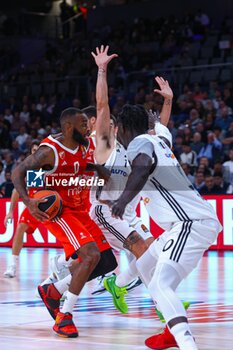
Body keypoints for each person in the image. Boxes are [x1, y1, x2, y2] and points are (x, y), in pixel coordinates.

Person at [103, 103, 222, 350]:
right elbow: (163, 134)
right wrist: (158, 120)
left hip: (189, 223)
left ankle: (187, 344)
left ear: (122, 128)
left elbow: (144, 164)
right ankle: (122, 288)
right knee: (146, 262)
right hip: (182, 224)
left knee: (159, 284)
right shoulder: (160, 141)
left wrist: (123, 200)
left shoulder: (138, 144)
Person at [12, 107, 116, 338]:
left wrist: (98, 169)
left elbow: (79, 164)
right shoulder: (50, 151)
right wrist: (30, 200)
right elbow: (19, 172)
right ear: (68, 127)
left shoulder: (85, 144)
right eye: (82, 124)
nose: (87, 127)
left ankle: (53, 290)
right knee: (91, 256)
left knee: (107, 261)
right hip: (59, 210)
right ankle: (64, 316)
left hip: (80, 209)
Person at [90, 45, 177, 318]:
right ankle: (163, 307)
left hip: (129, 214)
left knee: (153, 255)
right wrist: (102, 70)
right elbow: (102, 106)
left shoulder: (139, 147)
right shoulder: (105, 147)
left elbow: (158, 132)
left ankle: (146, 297)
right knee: (145, 251)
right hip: (106, 212)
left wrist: (168, 102)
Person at [3, 141, 41, 278]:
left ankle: (66, 265)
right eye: (34, 150)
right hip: (33, 206)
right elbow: (16, 190)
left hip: (50, 205)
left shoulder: (51, 166)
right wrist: (10, 212)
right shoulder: (27, 169)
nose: (36, 152)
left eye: (39, 150)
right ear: (31, 152)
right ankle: (12, 265)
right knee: (20, 228)